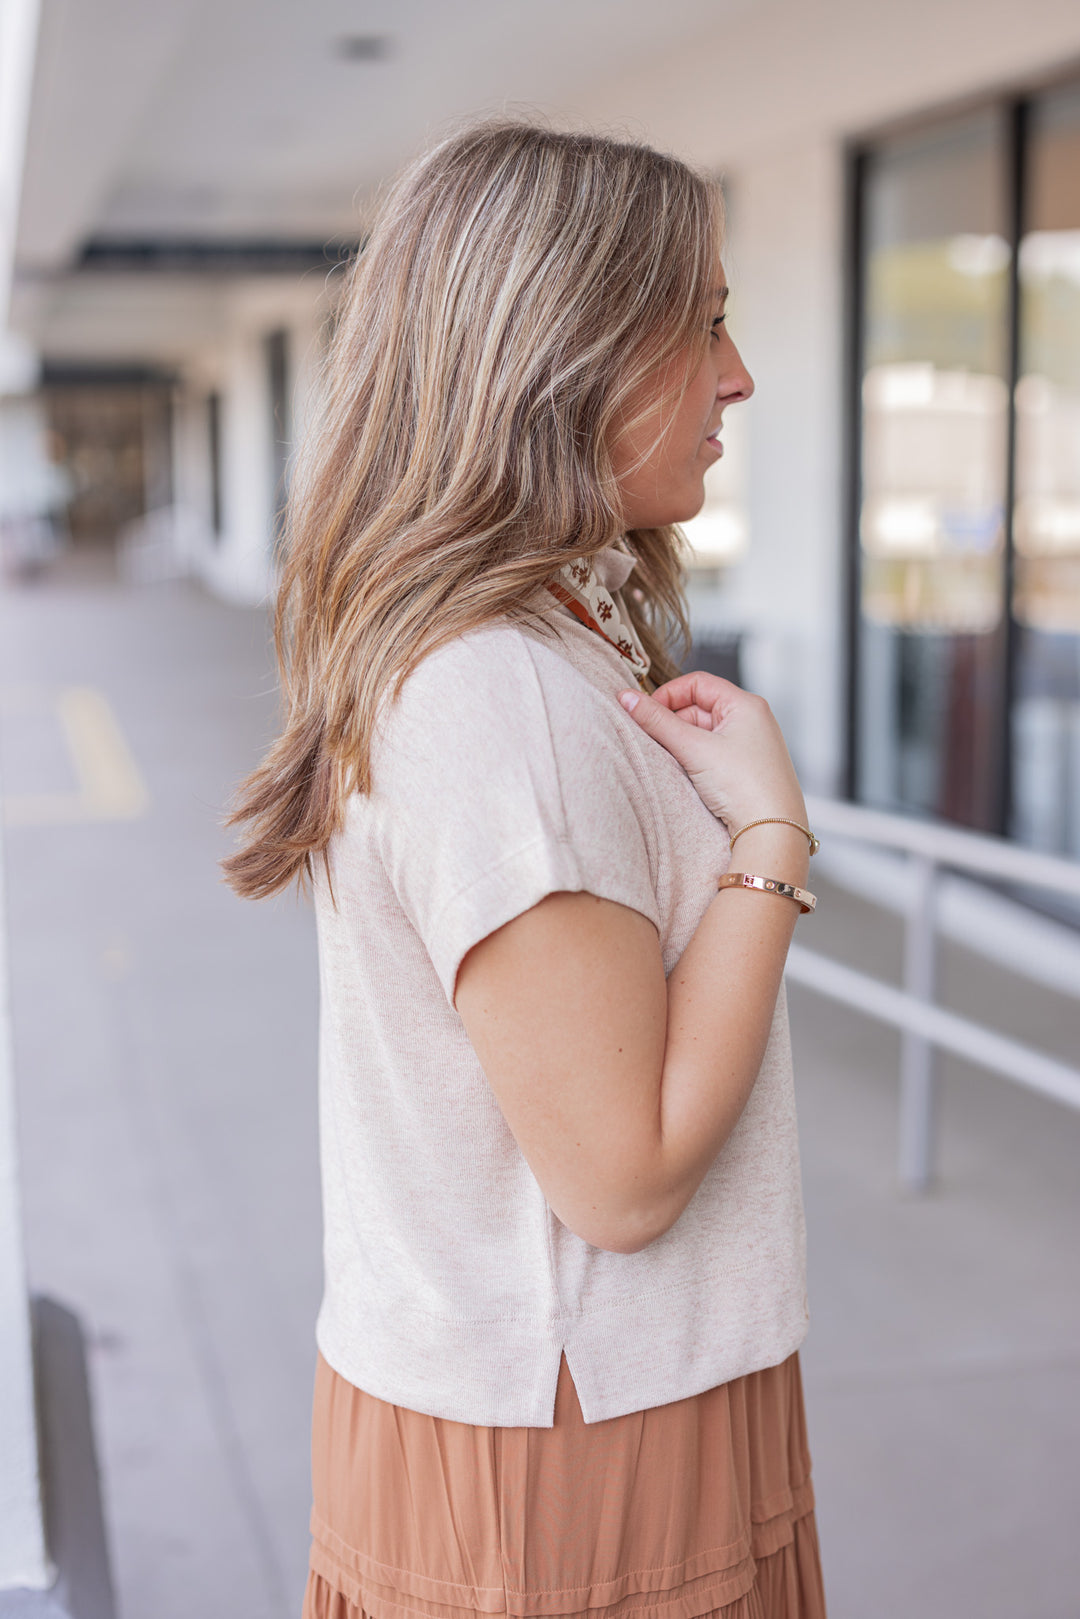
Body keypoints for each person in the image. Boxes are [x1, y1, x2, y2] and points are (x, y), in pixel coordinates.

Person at [224, 122, 827, 1619]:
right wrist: (770, 844)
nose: (738, 377)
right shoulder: (502, 695)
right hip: (576, 1441)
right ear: (570, 357)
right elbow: (623, 1179)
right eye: (705, 325)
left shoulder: (540, 640)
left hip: (564, 1395)